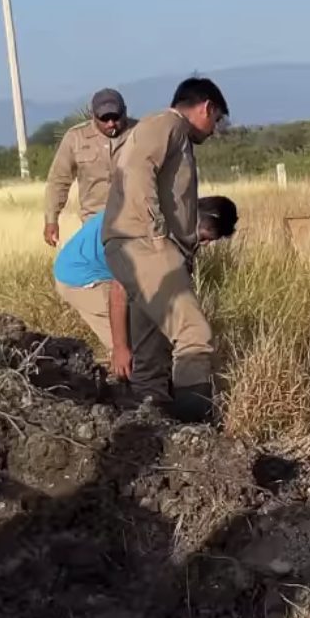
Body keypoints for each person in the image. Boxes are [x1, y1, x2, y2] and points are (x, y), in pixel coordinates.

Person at [101, 77, 230, 421]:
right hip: (145, 245)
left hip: (135, 246)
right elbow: (137, 167)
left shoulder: (171, 132)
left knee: (152, 351)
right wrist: (156, 235)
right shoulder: (168, 123)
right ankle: (197, 432)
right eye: (216, 120)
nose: (215, 130)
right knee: (194, 335)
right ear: (207, 107)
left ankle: (152, 430)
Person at [53, 196, 238, 374]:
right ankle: (127, 395)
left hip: (106, 268)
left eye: (209, 241)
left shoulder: (177, 212)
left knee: (150, 341)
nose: (204, 245)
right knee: (135, 354)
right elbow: (119, 290)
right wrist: (120, 347)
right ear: (193, 220)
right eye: (204, 238)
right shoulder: (149, 230)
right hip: (80, 275)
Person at [43, 88, 136, 247]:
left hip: (136, 225)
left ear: (125, 111)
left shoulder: (142, 133)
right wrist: (51, 220)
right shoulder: (75, 138)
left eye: (116, 117)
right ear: (93, 115)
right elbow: (58, 181)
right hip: (94, 226)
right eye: (104, 119)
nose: (111, 123)